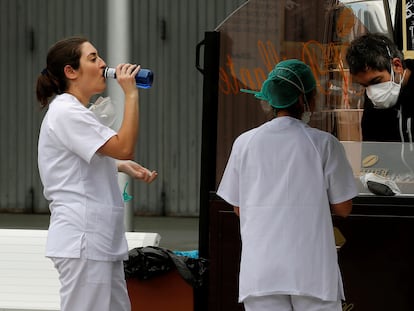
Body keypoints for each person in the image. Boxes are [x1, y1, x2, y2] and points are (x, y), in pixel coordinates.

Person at [217, 59, 358, 311]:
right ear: (306, 100)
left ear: (271, 100)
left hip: (261, 270)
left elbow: (238, 208)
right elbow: (344, 207)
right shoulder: (324, 144)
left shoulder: (244, 143)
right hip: (312, 271)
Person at [36, 36, 157, 311]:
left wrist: (118, 166)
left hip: (99, 241)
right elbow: (124, 147)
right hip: (85, 240)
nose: (103, 64)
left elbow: (74, 164)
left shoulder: (75, 111)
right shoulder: (66, 111)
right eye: (92, 58)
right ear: (71, 71)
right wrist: (131, 94)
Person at [345, 32, 414, 142]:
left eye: (376, 81)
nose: (373, 92)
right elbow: (372, 150)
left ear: (397, 66)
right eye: (365, 86)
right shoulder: (372, 102)